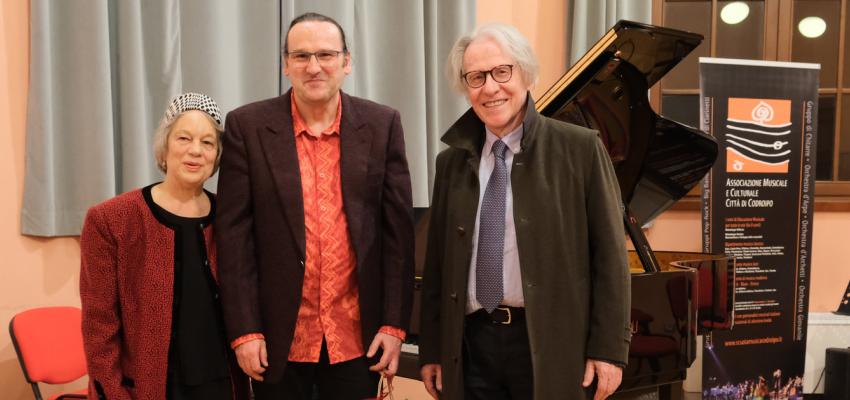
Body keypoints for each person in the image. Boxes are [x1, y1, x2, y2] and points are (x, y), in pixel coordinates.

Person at [418, 23, 631, 400]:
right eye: (476, 77)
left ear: (526, 74)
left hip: (549, 343)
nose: (490, 88)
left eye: (502, 71)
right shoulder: (450, 162)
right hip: (471, 346)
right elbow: (437, 264)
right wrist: (432, 350)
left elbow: (610, 258)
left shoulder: (580, 149)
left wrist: (608, 350)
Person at [214, 12, 415, 400]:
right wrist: (245, 330)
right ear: (286, 64)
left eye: (326, 54)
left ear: (346, 61)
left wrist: (394, 326)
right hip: (276, 338)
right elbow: (234, 238)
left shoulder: (382, 124)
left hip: (357, 338)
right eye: (301, 56)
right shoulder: (248, 127)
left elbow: (398, 238)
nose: (314, 66)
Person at [80, 93, 250, 400]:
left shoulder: (230, 216)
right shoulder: (112, 219)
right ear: (165, 146)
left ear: (217, 155)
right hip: (148, 387)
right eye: (184, 138)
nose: (195, 150)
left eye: (208, 142)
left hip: (222, 383)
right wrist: (112, 394)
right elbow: (99, 325)